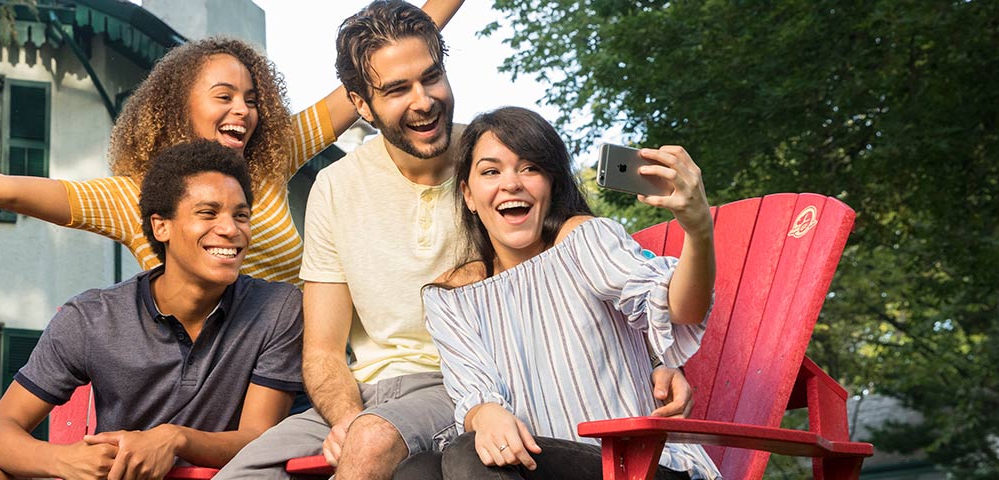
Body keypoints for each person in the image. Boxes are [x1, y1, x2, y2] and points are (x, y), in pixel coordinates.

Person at [215, 3, 693, 480]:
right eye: (397, 89)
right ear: (360, 105)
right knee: (243, 474)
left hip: (462, 385)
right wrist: (344, 415)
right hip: (362, 393)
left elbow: (582, 274)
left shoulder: (496, 168)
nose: (423, 100)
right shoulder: (335, 187)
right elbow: (322, 352)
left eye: (431, 77)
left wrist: (661, 360)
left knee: (375, 440)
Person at [0, 0, 465, 285]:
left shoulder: (273, 154)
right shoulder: (129, 198)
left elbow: (373, 71)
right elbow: (4, 187)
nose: (245, 112)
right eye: (224, 97)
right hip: (202, 389)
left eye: (252, 99)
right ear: (177, 109)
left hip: (299, 375)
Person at [0, 140, 306, 480]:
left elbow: (258, 439)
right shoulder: (92, 318)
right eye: (208, 213)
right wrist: (64, 460)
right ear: (161, 227)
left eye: (241, 215)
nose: (231, 229)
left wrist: (173, 438)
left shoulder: (277, 309)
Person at [393, 107, 721, 479]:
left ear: (552, 184)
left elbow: (680, 307)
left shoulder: (583, 240)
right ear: (468, 194)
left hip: (638, 466)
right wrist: (485, 414)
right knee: (417, 470)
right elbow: (473, 389)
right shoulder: (449, 297)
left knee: (468, 454)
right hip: (537, 465)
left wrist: (698, 229)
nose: (511, 183)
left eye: (530, 167)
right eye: (490, 171)